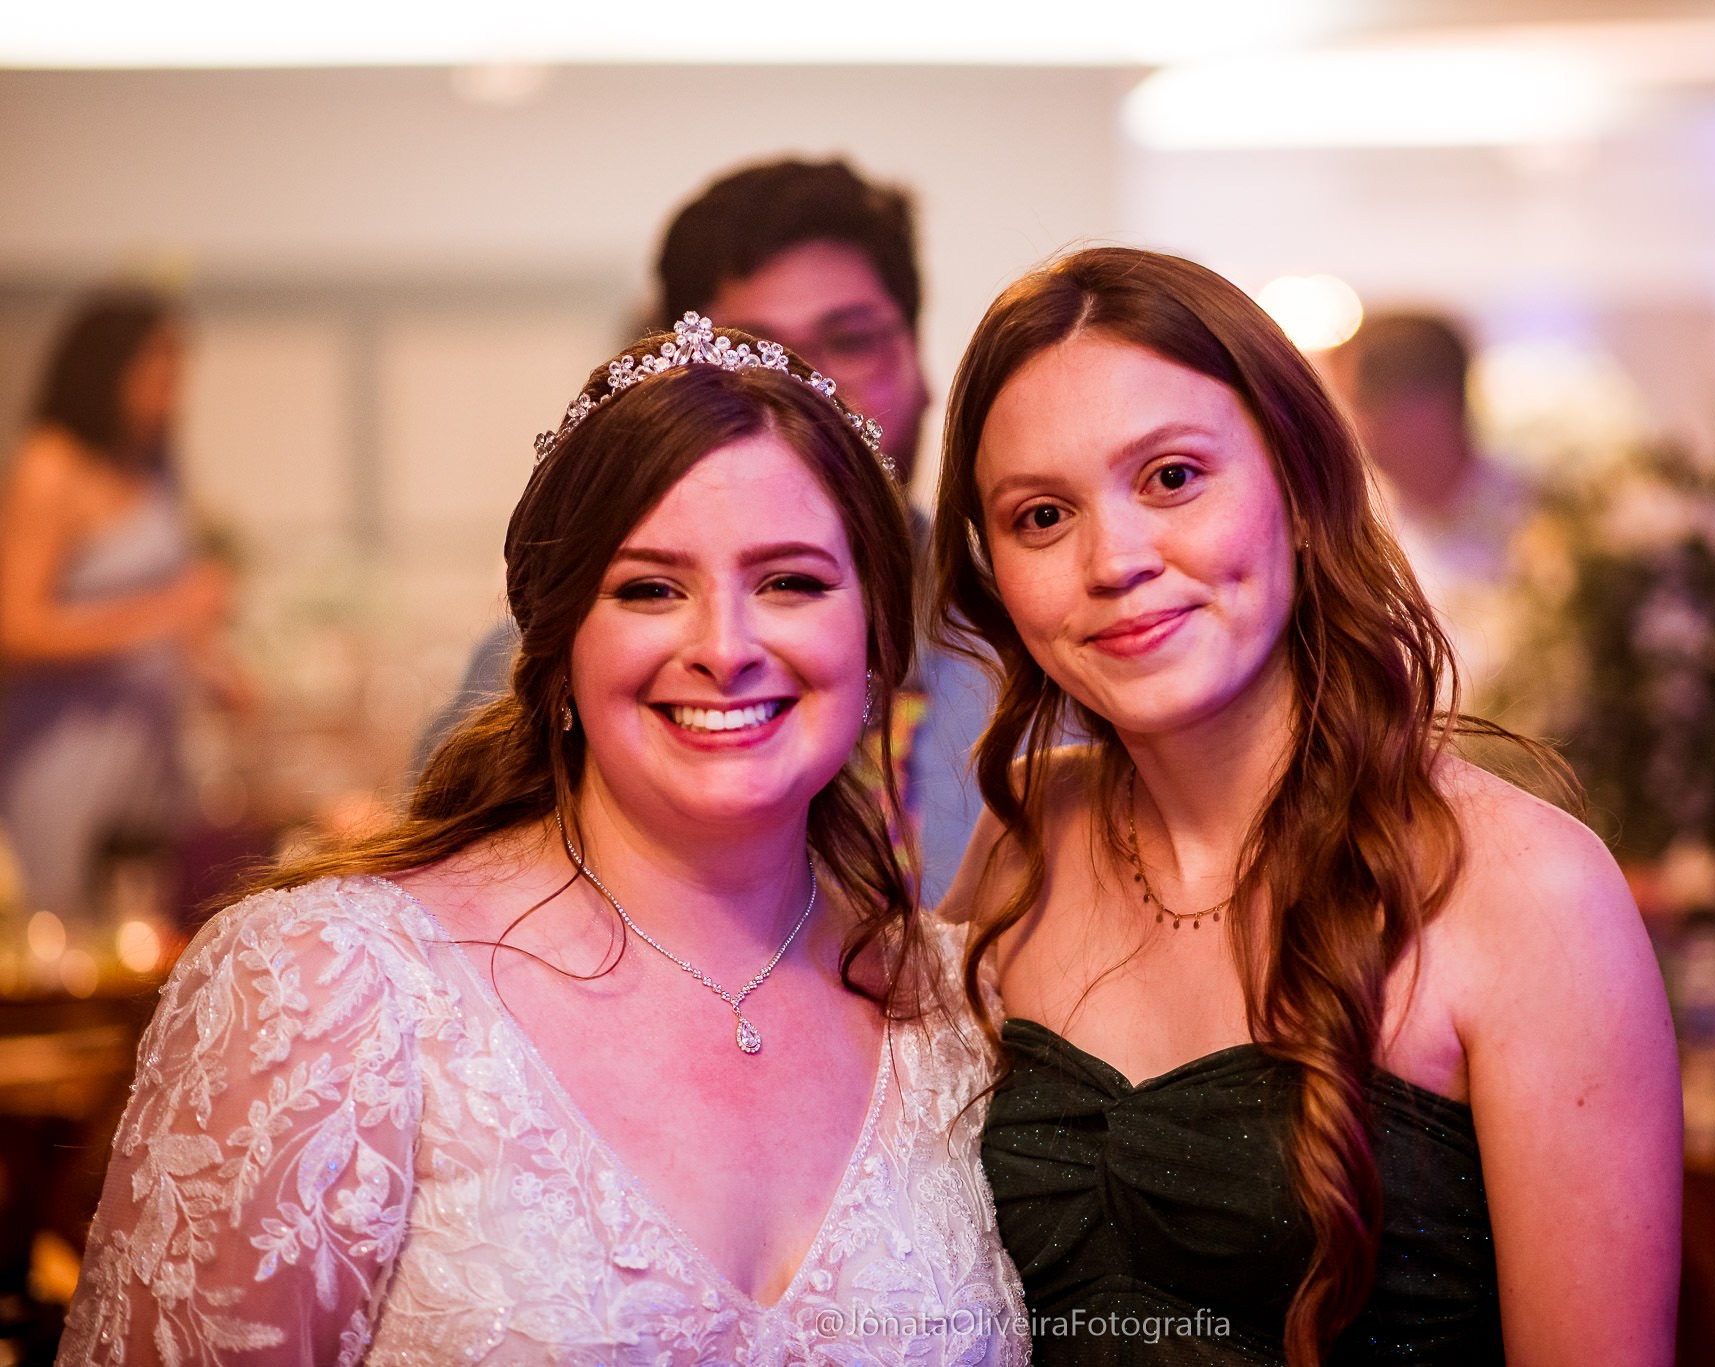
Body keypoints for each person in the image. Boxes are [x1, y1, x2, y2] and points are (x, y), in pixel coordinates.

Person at [59, 318, 1027, 1365]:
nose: (725, 647)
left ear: (879, 641)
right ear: (557, 648)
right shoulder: (327, 988)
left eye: (789, 581)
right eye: (649, 587)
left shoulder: (957, 1006)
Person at [932, 249, 1680, 1365]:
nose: (1114, 558)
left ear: (1296, 483)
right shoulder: (1022, 838)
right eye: (1041, 515)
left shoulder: (1529, 893)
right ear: (992, 567)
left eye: (1172, 476)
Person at [421, 158, 990, 899]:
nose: (807, 393)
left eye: (849, 341)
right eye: (756, 352)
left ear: (921, 363)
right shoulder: (544, 663)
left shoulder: (1034, 645)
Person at [0, 290, 237, 940]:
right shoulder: (50, 464)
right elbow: (16, 628)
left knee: (152, 928)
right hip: (69, 750)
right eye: (156, 364)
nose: (171, 384)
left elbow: (173, 609)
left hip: (152, 747)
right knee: (74, 935)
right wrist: (163, 611)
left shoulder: (154, 465)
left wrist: (219, 671)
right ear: (106, 369)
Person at [1338, 314, 1532, 704]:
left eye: (1362, 404)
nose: (1354, 427)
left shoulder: (1537, 512)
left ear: (1429, 407)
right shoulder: (1355, 530)